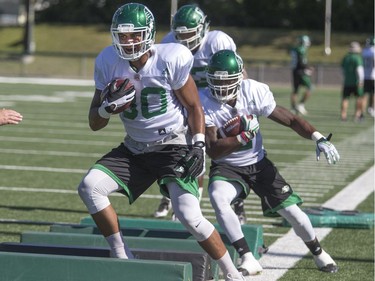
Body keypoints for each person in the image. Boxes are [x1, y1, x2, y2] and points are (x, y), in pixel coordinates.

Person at [77, 4, 245, 281]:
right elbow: (94, 122)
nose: (129, 41)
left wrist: (199, 144)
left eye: (135, 35)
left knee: (189, 216)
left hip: (174, 145)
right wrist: (108, 108)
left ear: (150, 34)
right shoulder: (107, 61)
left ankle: (232, 273)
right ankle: (121, 254)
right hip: (135, 147)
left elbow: (193, 107)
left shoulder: (171, 57)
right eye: (123, 35)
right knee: (89, 186)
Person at [200, 49, 340, 276]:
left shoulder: (252, 91)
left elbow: (291, 119)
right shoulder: (204, 100)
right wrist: (242, 137)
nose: (221, 87)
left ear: (239, 78)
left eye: (226, 81)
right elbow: (214, 150)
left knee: (295, 214)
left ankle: (318, 251)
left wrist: (317, 136)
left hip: (258, 163)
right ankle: (247, 256)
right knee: (217, 197)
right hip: (228, 166)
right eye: (216, 80)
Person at [154, 4, 247, 224]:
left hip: (216, 104)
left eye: (189, 34)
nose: (185, 40)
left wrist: (239, 105)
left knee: (228, 153)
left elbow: (237, 72)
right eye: (181, 35)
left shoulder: (217, 41)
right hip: (185, 104)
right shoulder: (168, 42)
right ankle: (173, 198)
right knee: (174, 150)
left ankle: (237, 203)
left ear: (203, 28)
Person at [340, 41, 364, 122]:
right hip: (356, 82)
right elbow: (359, 70)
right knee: (359, 98)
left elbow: (342, 70)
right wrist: (360, 80)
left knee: (345, 99)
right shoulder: (357, 58)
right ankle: (357, 115)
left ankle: (343, 116)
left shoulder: (345, 57)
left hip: (347, 81)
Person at [290, 35, 313, 115]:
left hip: (295, 70)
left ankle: (293, 108)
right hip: (301, 71)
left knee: (295, 90)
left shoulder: (294, 49)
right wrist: (308, 67)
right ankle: (301, 104)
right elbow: (301, 62)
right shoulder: (301, 49)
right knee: (310, 87)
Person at [362, 36, 374, 117]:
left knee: (364, 94)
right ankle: (372, 109)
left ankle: (361, 112)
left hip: (364, 75)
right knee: (373, 94)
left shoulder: (364, 51)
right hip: (373, 75)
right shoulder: (373, 51)